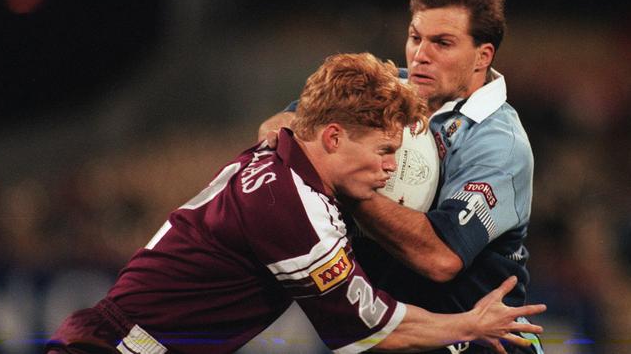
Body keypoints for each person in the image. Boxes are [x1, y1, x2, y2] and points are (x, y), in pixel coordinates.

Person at [45, 53, 545, 354]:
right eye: (385, 151)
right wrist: (470, 325)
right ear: (332, 137)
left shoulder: (276, 161)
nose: (393, 169)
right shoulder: (295, 210)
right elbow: (373, 331)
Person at [258, 0, 540, 353]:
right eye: (415, 38)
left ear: (482, 56)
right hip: (393, 337)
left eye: (442, 43)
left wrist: (346, 181)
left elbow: (439, 258)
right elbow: (279, 128)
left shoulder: (498, 142)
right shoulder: (386, 90)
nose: (421, 55)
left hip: (478, 343)